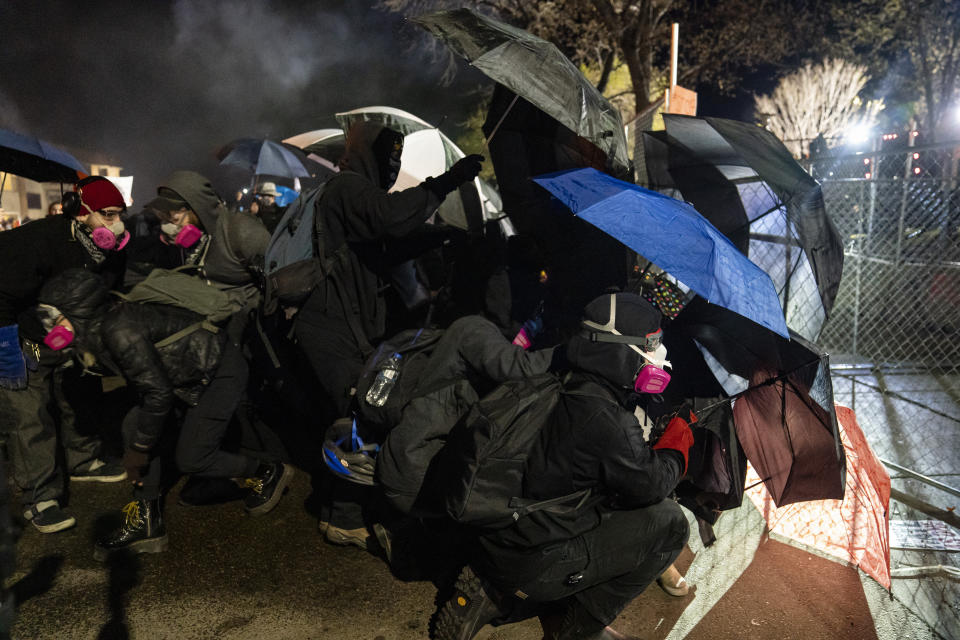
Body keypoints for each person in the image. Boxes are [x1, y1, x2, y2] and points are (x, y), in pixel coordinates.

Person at [433, 293, 695, 640]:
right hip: (534, 560)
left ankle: (490, 589)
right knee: (671, 523)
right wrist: (676, 448)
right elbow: (651, 485)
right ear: (617, 349)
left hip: (495, 534)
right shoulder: (608, 421)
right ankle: (575, 630)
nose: (657, 355)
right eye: (650, 345)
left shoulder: (561, 375)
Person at [292, 121, 483, 543]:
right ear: (364, 155)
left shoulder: (355, 196)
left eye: (398, 156)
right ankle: (343, 520)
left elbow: (385, 243)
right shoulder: (348, 188)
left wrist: (440, 237)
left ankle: (341, 510)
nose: (393, 164)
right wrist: (448, 181)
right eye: (388, 155)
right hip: (328, 325)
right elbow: (391, 219)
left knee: (356, 411)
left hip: (340, 322)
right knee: (362, 411)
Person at [37, 268, 294, 560]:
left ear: (77, 311)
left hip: (216, 371)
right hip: (183, 375)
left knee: (192, 458)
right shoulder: (100, 327)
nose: (48, 327)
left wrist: (138, 451)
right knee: (136, 426)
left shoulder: (119, 331)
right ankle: (146, 523)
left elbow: (157, 394)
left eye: (52, 317)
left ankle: (267, 471)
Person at [0, 176, 128, 534]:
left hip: (67, 336)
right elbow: (2, 290)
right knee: (30, 416)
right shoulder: (37, 242)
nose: (115, 224)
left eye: (119, 215)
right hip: (23, 333)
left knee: (79, 396)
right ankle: (39, 497)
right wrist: (6, 343)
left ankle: (83, 460)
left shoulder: (106, 248)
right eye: (107, 214)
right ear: (78, 211)